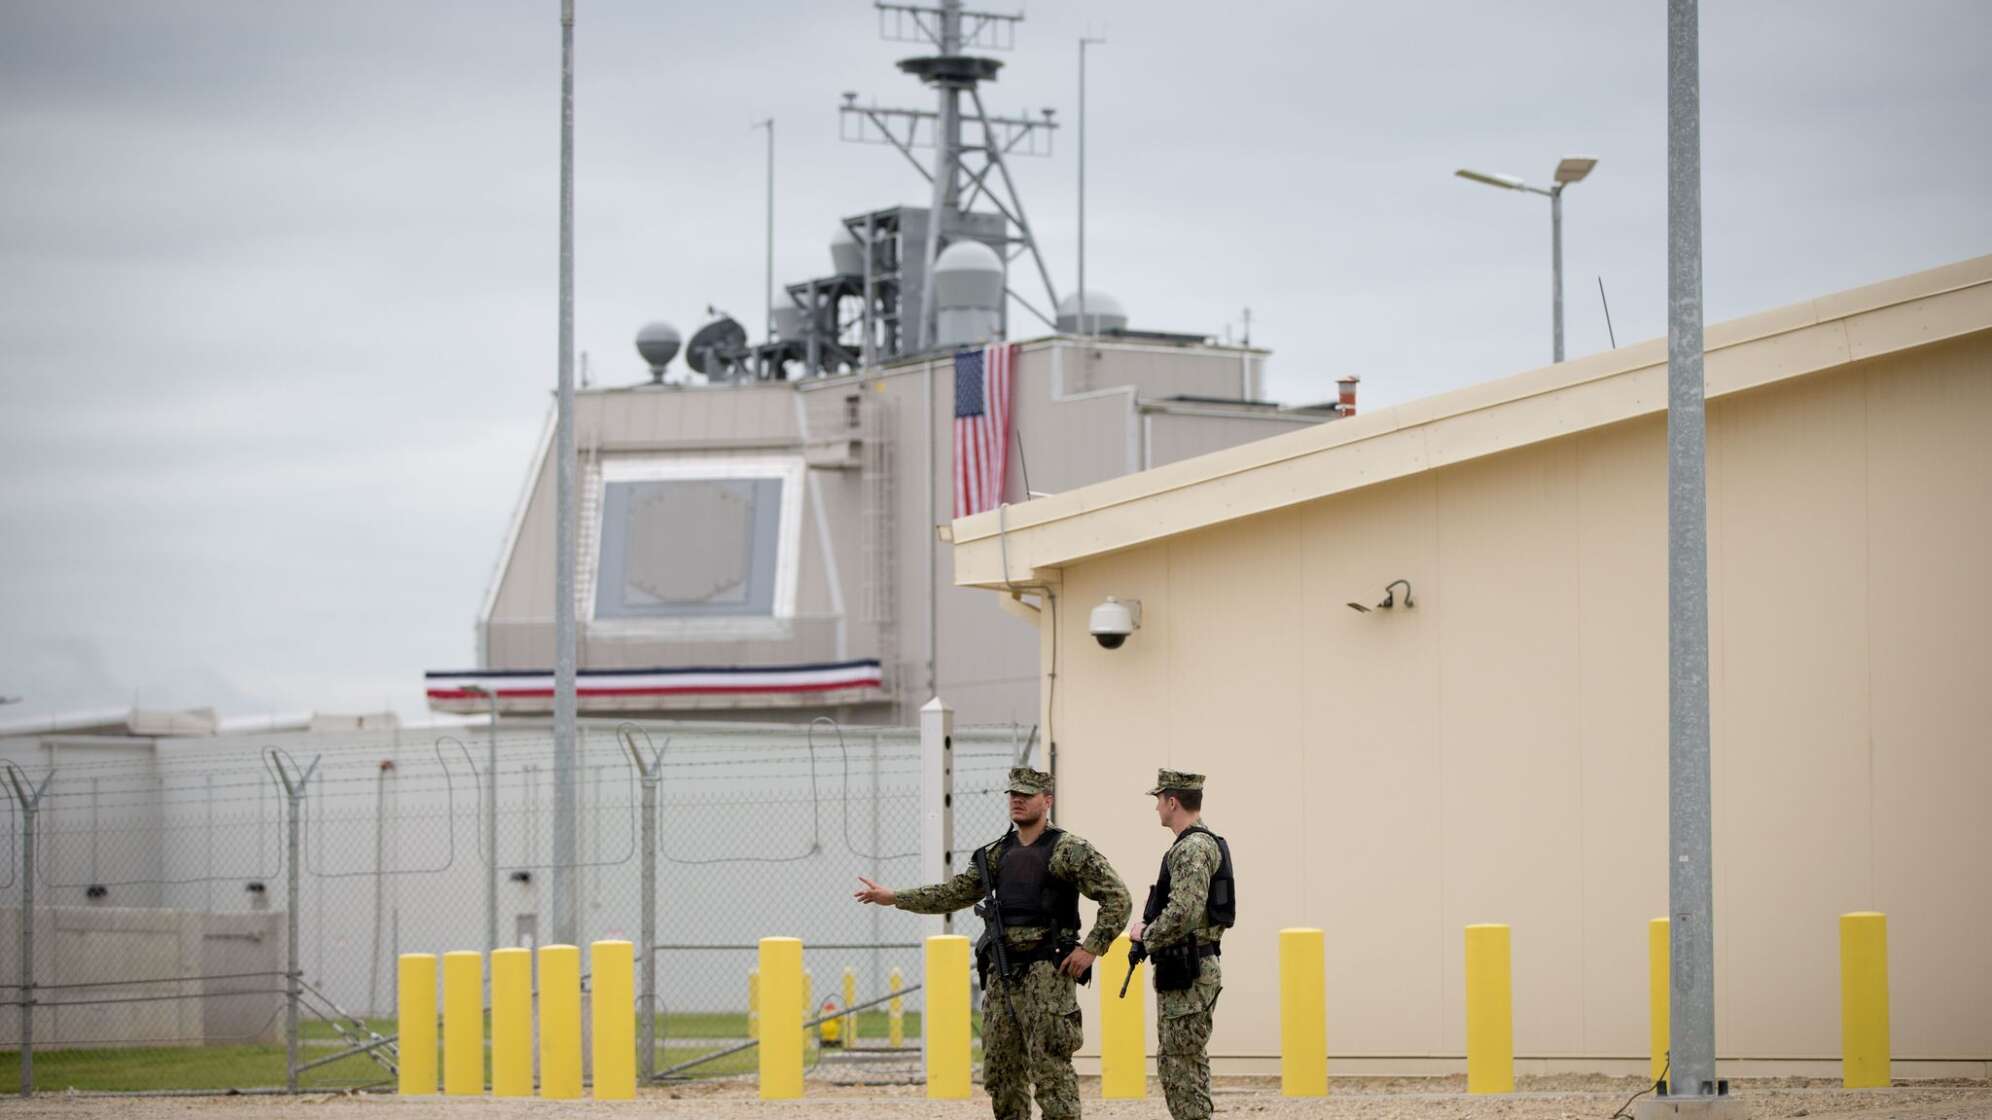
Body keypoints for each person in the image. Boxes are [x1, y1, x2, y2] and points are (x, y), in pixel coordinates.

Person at [855, 766, 1130, 1120]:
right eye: (1013, 794)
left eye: (1026, 795)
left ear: (1046, 801)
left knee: (1051, 1071)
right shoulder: (996, 854)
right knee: (1001, 1072)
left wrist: (1091, 948)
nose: (1017, 800)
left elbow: (1117, 897)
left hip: (1047, 972)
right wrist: (894, 897)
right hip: (1003, 974)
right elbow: (953, 893)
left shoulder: (1068, 850)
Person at [1130, 769, 1235, 1120]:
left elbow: (1185, 913)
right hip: (1186, 969)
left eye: (1159, 800)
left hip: (1190, 971)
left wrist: (1146, 936)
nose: (1157, 808)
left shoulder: (1192, 848)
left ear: (1172, 801)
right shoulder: (1199, 844)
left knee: (1181, 1066)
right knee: (1183, 1060)